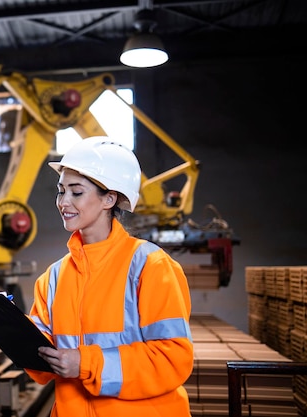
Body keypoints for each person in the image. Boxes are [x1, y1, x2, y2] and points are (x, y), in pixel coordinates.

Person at [25, 137, 193, 416]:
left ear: (109, 198)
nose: (63, 202)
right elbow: (42, 366)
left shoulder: (150, 266)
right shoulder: (52, 278)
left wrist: (86, 364)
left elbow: (172, 359)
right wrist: (13, 335)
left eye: (76, 192)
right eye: (60, 191)